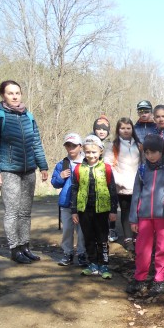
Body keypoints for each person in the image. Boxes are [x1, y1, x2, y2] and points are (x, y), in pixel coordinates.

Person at [0, 80, 49, 264]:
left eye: (17, 93)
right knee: (12, 211)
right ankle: (15, 249)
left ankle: (25, 247)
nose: (14, 96)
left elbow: (36, 142)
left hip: (29, 170)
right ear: (3, 95)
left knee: (25, 212)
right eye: (10, 93)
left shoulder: (28, 116)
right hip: (8, 171)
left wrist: (43, 166)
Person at [127, 135, 164, 297]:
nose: (150, 156)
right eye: (147, 153)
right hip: (144, 216)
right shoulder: (142, 169)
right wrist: (133, 218)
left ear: (161, 151)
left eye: (153, 152)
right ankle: (140, 278)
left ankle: (159, 279)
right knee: (142, 248)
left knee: (163, 248)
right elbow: (136, 194)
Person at [70, 135, 118, 278]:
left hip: (102, 210)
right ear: (83, 151)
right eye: (88, 152)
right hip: (84, 209)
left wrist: (113, 210)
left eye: (94, 152)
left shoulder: (106, 168)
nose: (91, 155)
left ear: (100, 151)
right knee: (88, 238)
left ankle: (104, 264)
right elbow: (74, 189)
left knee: (102, 239)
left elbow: (112, 189)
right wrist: (74, 211)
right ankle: (92, 263)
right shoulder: (78, 168)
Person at [103, 117, 142, 252]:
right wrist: (119, 180)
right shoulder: (113, 146)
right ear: (118, 130)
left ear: (132, 129)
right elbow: (108, 165)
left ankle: (137, 237)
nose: (126, 131)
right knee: (125, 212)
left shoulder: (139, 145)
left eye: (128, 128)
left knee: (137, 211)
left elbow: (143, 163)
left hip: (137, 184)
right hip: (122, 185)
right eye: (122, 128)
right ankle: (128, 239)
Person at [51, 132, 87, 267]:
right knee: (67, 230)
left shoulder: (86, 162)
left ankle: (82, 253)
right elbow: (55, 183)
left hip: (83, 203)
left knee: (82, 231)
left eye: (74, 145)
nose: (71, 148)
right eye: (68, 145)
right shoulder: (62, 164)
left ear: (80, 146)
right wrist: (60, 176)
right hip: (66, 203)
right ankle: (68, 253)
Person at [91, 115, 118, 242]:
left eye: (104, 129)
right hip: (94, 175)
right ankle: (97, 228)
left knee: (111, 202)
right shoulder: (89, 141)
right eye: (98, 128)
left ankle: (112, 228)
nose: (101, 131)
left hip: (109, 175)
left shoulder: (113, 143)